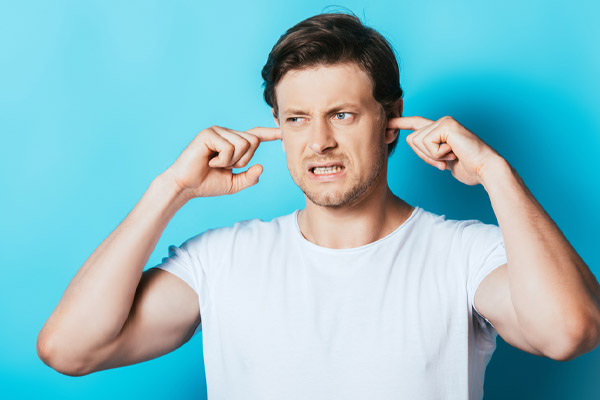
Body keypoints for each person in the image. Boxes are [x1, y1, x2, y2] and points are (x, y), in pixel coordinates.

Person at [37, 11, 599, 400]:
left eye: (344, 115)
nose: (320, 142)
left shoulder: (466, 254)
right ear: (278, 126)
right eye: (297, 119)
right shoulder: (222, 260)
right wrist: (170, 191)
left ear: (390, 120)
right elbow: (69, 348)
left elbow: (568, 332)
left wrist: (497, 175)